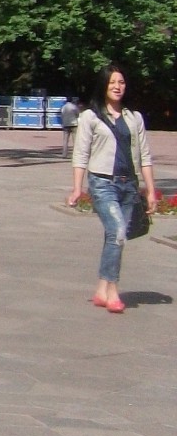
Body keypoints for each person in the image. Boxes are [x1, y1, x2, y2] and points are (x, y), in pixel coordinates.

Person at [70, 66, 158, 314]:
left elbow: (146, 157)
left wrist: (150, 190)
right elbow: (80, 155)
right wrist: (77, 188)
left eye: (121, 82)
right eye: (112, 83)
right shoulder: (90, 117)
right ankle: (113, 291)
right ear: (103, 87)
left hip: (129, 184)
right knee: (118, 232)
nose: (118, 87)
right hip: (102, 183)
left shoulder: (134, 118)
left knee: (116, 237)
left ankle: (101, 289)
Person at [56, 94, 80, 160]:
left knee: (65, 140)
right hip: (74, 124)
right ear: (72, 100)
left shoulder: (63, 107)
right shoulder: (74, 106)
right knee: (75, 140)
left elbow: (61, 114)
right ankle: (75, 154)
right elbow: (77, 114)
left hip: (66, 124)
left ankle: (64, 154)